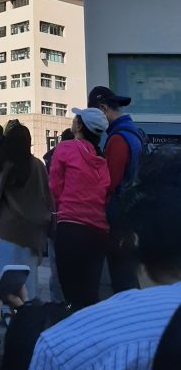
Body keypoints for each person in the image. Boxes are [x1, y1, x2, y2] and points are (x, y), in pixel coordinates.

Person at [0, 147, 181, 370]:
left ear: (133, 239)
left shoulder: (62, 344)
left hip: (44, 231)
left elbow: (48, 190)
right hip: (59, 232)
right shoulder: (44, 165)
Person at [49, 107, 110, 310]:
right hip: (98, 232)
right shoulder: (101, 160)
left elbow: (54, 186)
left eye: (76, 118)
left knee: (71, 295)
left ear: (80, 125)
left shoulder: (66, 148)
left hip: (71, 228)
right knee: (90, 294)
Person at [0, 122, 52, 302]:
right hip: (32, 233)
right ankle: (26, 319)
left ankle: (3, 318)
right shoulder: (38, 165)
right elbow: (47, 197)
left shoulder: (3, 164)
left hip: (7, 231)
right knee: (28, 284)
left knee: (2, 282)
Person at [88, 84, 142, 292]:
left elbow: (110, 183)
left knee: (122, 278)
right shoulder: (134, 133)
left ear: (103, 108)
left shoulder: (118, 139)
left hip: (119, 218)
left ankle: (128, 319)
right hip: (131, 213)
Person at [43, 128, 74, 304]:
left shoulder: (49, 158)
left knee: (55, 265)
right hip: (71, 217)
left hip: (55, 216)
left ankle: (57, 302)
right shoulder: (79, 158)